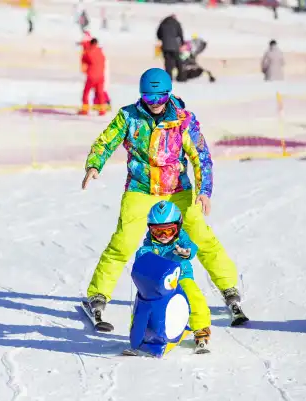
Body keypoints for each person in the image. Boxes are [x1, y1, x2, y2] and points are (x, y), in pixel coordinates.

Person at [81, 68, 246, 328]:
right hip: (140, 188)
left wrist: (204, 191)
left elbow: (200, 155)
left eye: (159, 98)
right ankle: (97, 296)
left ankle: (229, 289)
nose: (154, 104)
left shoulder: (182, 119)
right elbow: (105, 142)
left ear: (168, 95)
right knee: (123, 242)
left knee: (201, 237)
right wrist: (94, 165)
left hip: (177, 190)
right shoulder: (128, 116)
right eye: (148, 98)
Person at [135, 200, 212, 352]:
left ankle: (201, 328)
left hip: (181, 276)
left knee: (193, 296)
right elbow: (143, 253)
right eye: (158, 232)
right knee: (145, 303)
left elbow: (191, 246)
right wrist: (142, 260)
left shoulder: (181, 239)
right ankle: (140, 332)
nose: (163, 236)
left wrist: (186, 252)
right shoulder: (150, 245)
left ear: (178, 227)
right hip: (159, 281)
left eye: (168, 231)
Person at [78, 38, 106, 116]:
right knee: (100, 93)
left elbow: (83, 59)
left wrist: (84, 46)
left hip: (92, 76)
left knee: (86, 92)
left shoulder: (88, 52)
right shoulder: (100, 51)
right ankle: (102, 110)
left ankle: (85, 110)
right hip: (101, 76)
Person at [156, 14, 184, 81]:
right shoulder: (176, 23)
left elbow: (158, 34)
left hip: (165, 46)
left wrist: (163, 39)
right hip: (175, 46)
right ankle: (181, 77)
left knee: (168, 63)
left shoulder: (163, 23)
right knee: (178, 62)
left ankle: (169, 78)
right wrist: (182, 42)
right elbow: (180, 34)